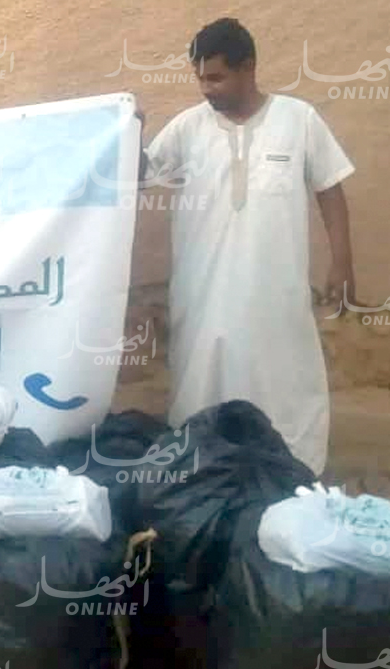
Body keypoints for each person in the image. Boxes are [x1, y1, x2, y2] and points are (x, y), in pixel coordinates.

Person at [142, 18, 357, 476]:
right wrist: (122, 132)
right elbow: (139, 174)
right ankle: (204, 470)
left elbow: (330, 188)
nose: (206, 88)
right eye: (200, 77)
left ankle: (291, 468)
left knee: (283, 378)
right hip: (204, 292)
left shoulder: (298, 120)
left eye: (216, 77)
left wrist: (341, 262)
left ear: (249, 68)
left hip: (274, 288)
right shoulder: (187, 128)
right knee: (203, 380)